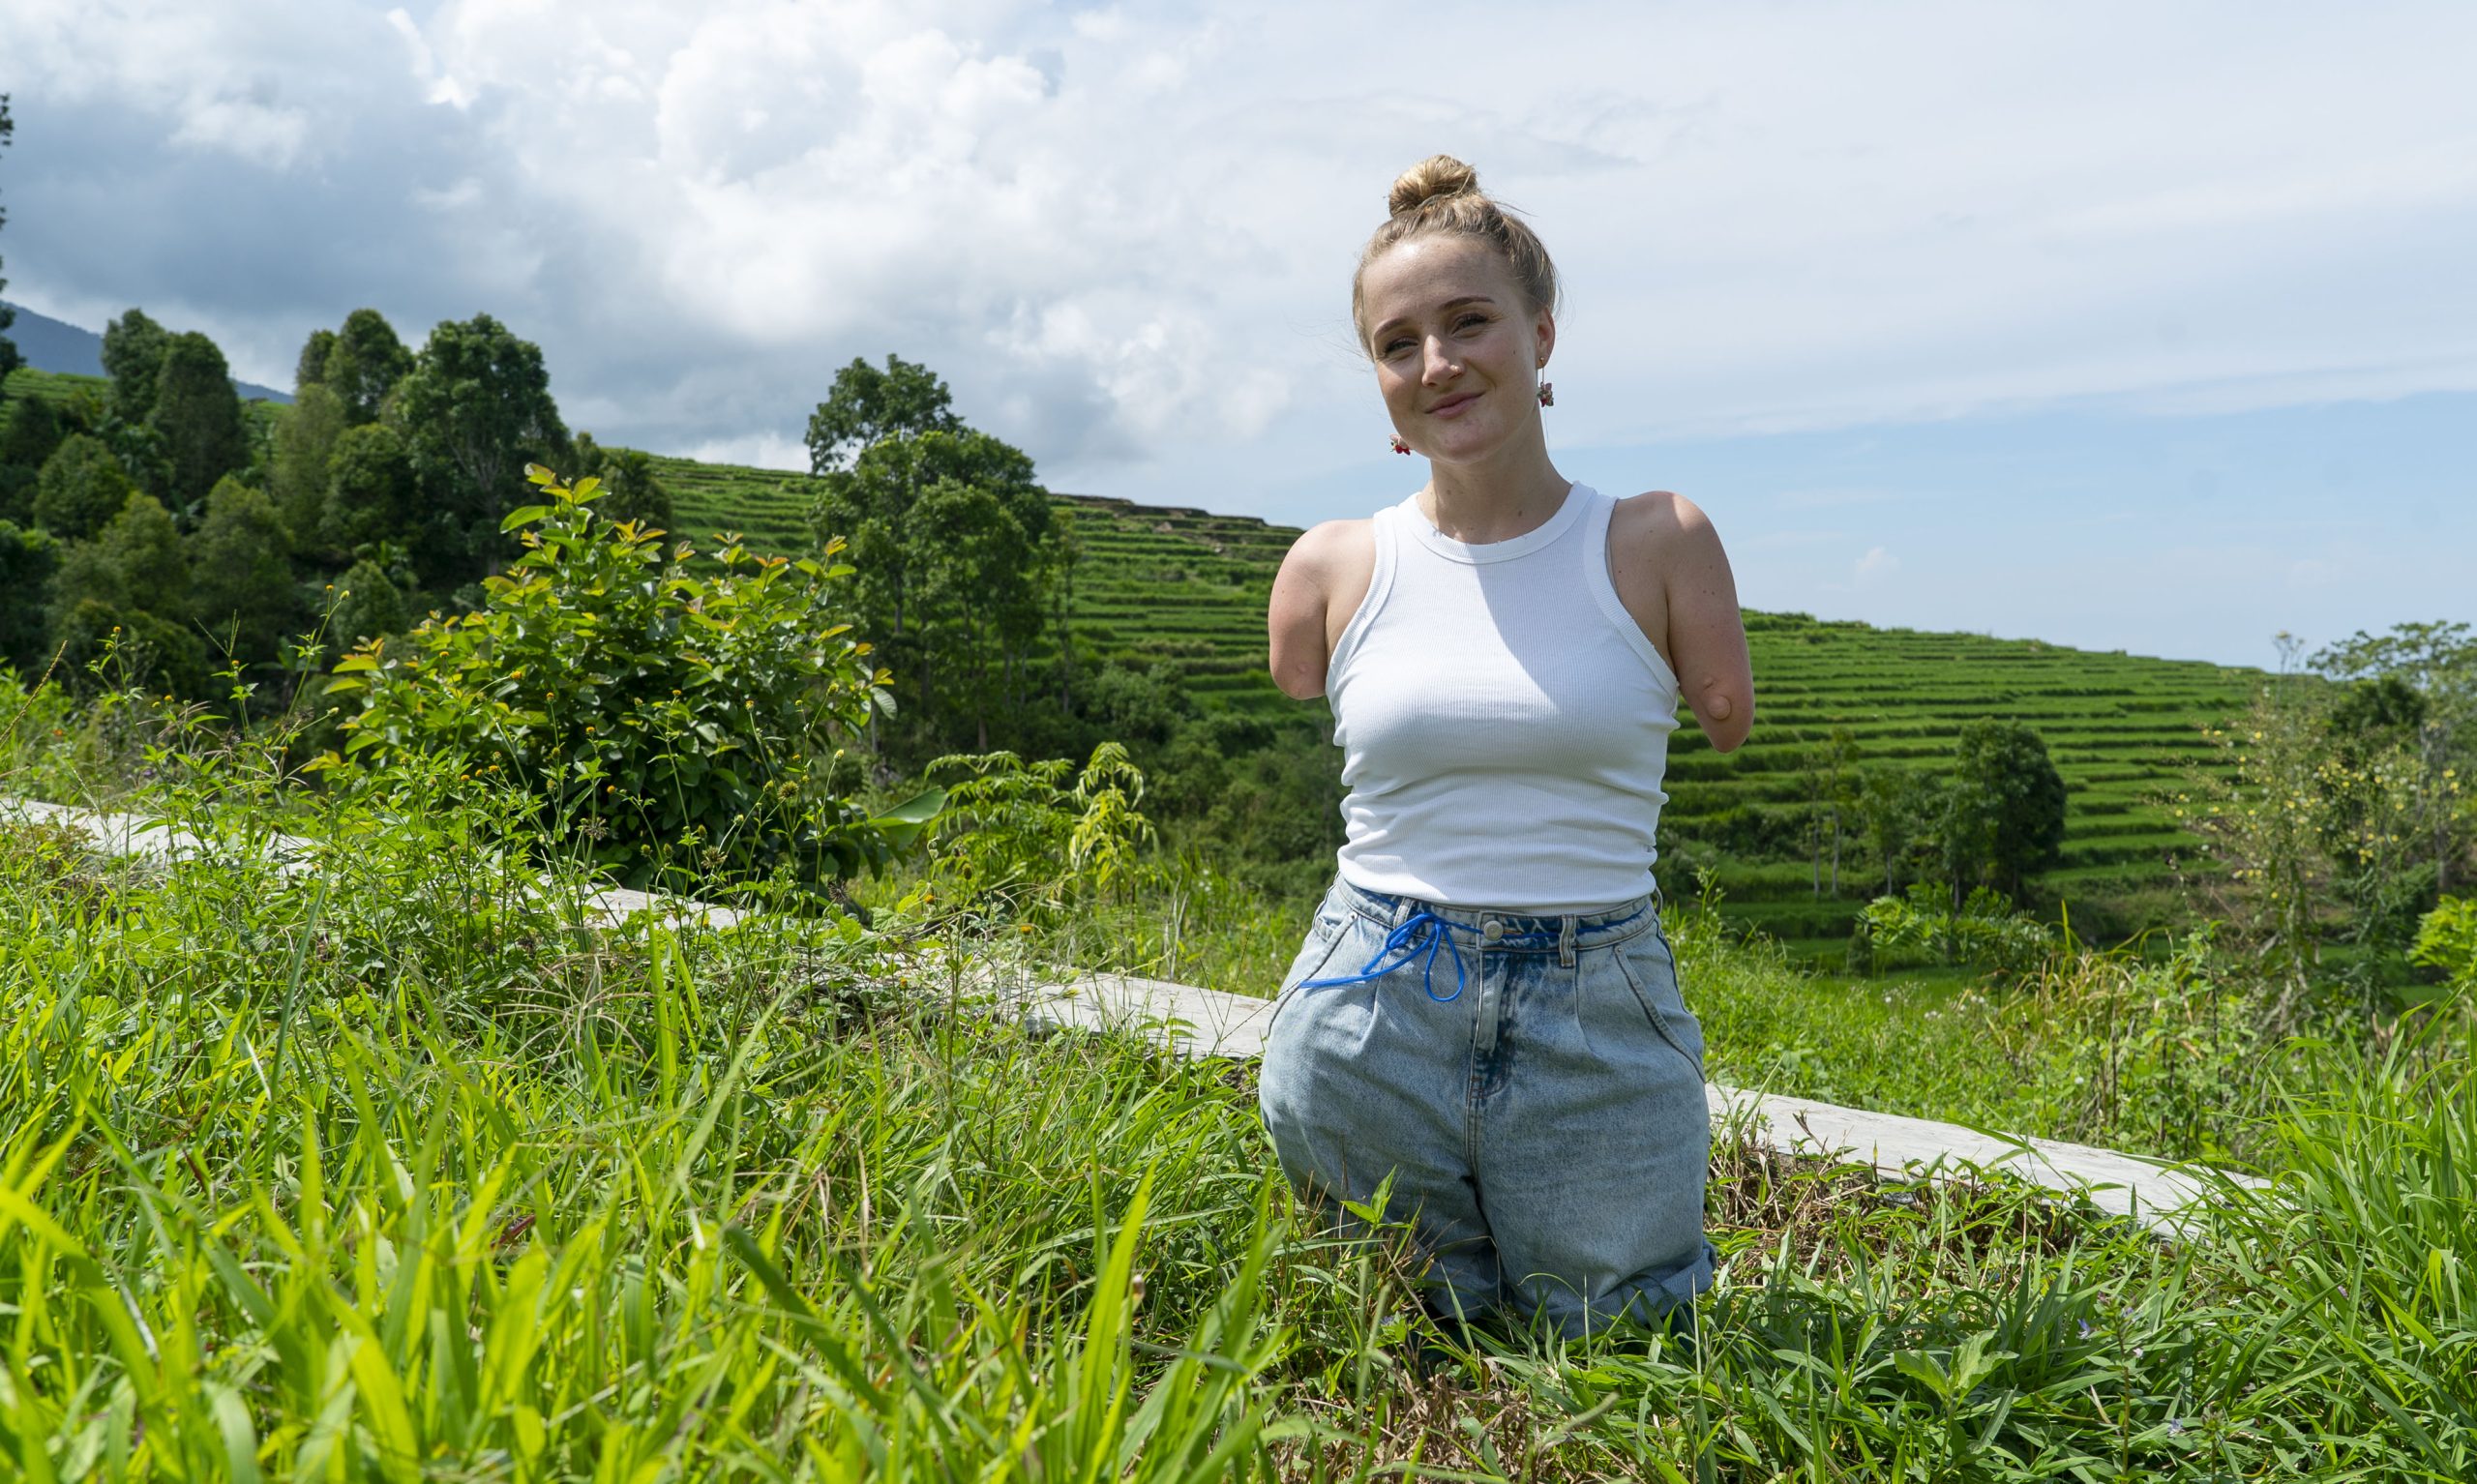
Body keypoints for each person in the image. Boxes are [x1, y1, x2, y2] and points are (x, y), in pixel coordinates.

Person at [1258, 155, 1755, 1339]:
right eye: (1397, 343)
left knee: (1621, 1348)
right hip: (1366, 999)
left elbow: (1725, 717)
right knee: (1402, 1335)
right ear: (1378, 380)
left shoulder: (1657, 542)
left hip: (1593, 1002)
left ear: (1540, 334)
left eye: (1468, 321)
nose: (1436, 363)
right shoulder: (1329, 565)